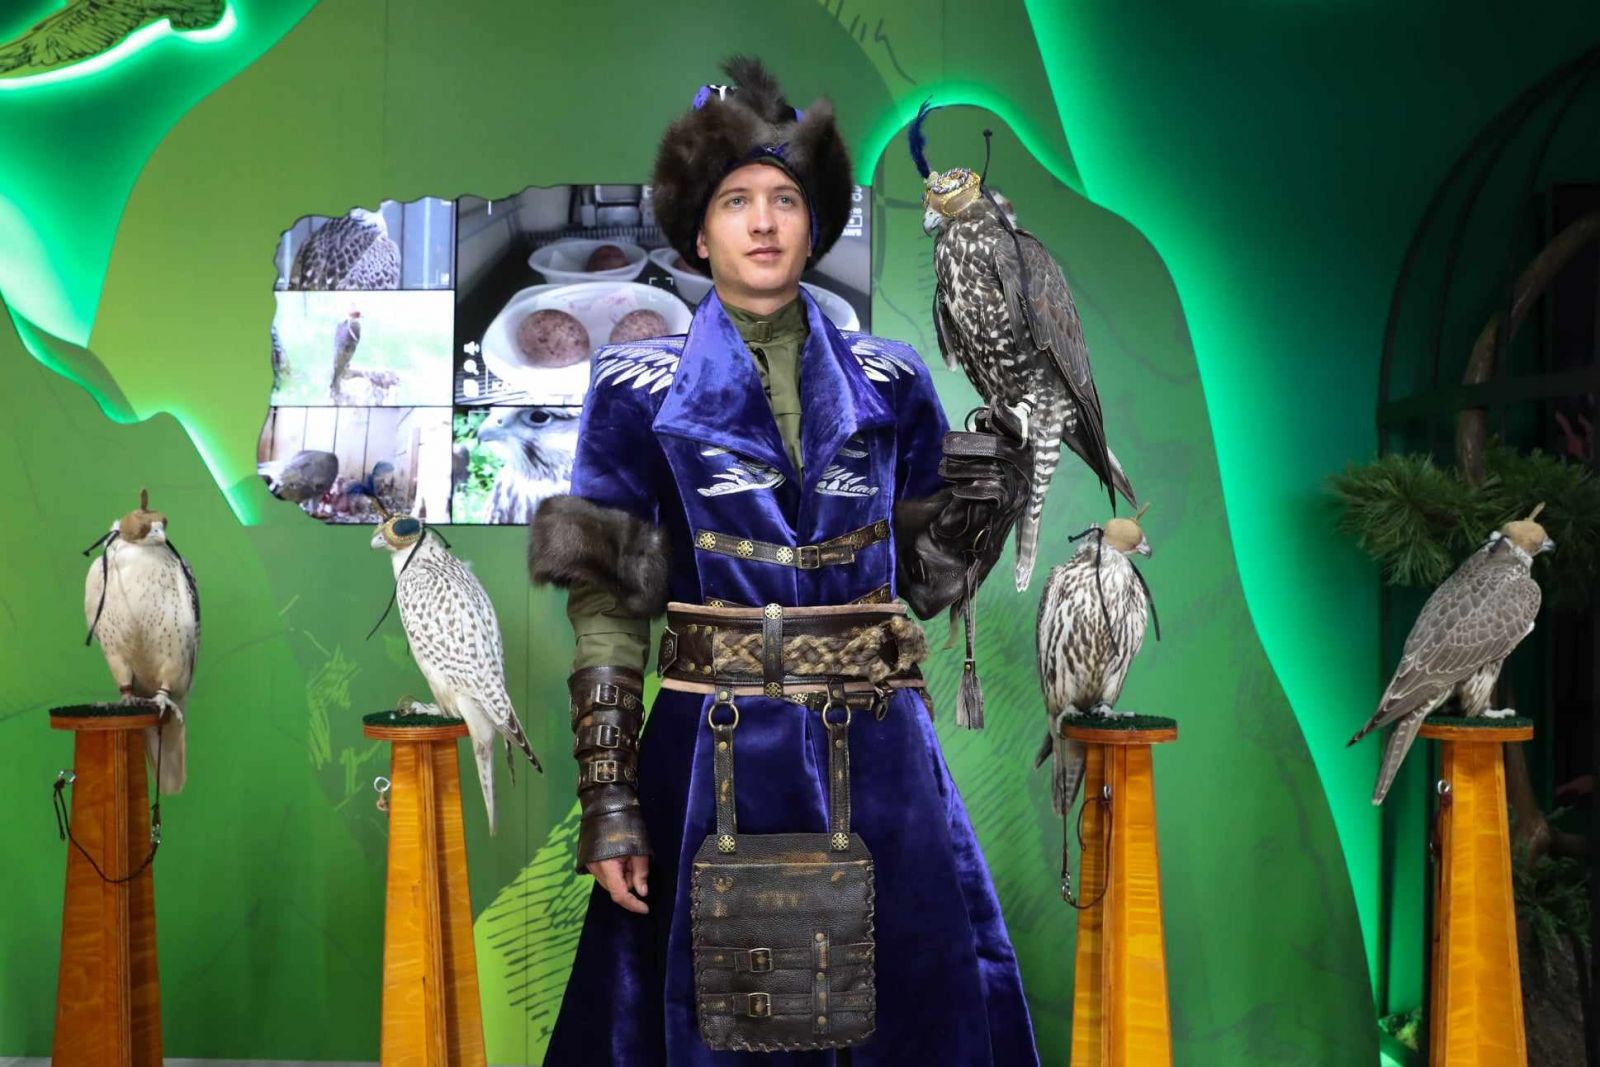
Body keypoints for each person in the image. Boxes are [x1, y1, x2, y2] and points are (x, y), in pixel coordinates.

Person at [531, 55, 1039, 1065]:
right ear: (698, 231)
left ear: (815, 224)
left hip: (883, 753)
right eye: (736, 201)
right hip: (707, 751)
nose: (762, 223)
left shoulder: (892, 379)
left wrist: (982, 508)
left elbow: (927, 583)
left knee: (905, 1015)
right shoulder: (634, 386)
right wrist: (610, 800)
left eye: (785, 200)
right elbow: (607, 608)